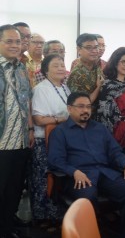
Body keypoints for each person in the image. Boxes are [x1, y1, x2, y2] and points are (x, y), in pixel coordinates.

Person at [48, 92, 125, 238]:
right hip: (78, 176)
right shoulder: (60, 132)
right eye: (81, 106)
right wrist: (74, 171)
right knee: (88, 197)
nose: (86, 110)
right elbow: (55, 160)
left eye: (88, 107)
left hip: (104, 172)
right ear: (70, 109)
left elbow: (115, 151)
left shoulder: (99, 128)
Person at [0, 24, 34, 238]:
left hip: (20, 139)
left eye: (18, 41)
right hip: (1, 142)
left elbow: (27, 100)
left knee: (14, 188)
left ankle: (6, 226)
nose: (15, 45)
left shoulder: (22, 68)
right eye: (9, 41)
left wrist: (30, 128)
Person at [30, 54, 69, 229]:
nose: (61, 68)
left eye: (62, 65)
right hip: (43, 141)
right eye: (56, 66)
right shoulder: (41, 89)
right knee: (42, 179)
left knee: (58, 180)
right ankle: (41, 217)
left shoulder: (66, 88)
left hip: (61, 141)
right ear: (46, 70)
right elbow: (38, 119)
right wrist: (61, 119)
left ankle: (56, 215)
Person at [96, 47, 125, 162]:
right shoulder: (107, 85)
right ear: (115, 62)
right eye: (124, 62)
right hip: (113, 131)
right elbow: (104, 115)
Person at [67, 33, 103, 103]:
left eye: (96, 47)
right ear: (79, 49)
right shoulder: (76, 74)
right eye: (89, 48)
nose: (94, 51)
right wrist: (98, 87)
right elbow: (82, 103)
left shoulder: (97, 66)